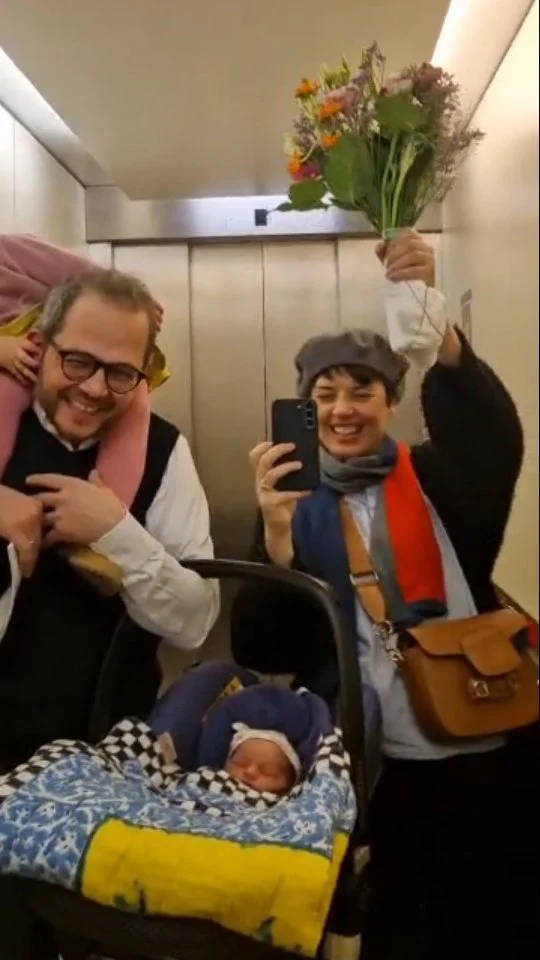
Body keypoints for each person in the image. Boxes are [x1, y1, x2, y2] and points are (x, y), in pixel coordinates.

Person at [231, 230, 537, 960]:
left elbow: (494, 440)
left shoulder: (438, 478)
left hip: (472, 729)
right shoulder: (291, 502)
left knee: (484, 910)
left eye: (362, 390)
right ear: (304, 408)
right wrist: (277, 545)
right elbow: (261, 646)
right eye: (324, 395)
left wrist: (435, 323)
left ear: (392, 401)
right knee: (392, 916)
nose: (343, 409)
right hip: (363, 752)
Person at [0, 267, 219, 960]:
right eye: (78, 362)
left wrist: (117, 532)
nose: (95, 389)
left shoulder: (165, 452)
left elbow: (194, 620)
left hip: (106, 764)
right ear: (39, 345)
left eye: (120, 373)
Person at [0, 233, 169, 593]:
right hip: (17, 353)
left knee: (134, 406)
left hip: (43, 338)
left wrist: (135, 303)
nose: (94, 389)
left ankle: (103, 525)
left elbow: (77, 271)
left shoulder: (9, 249)